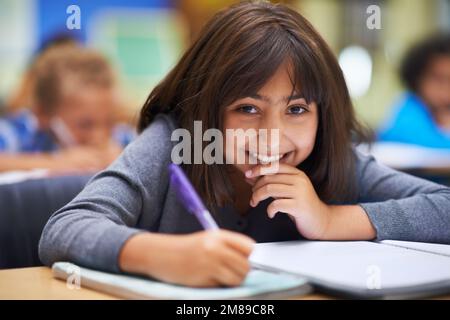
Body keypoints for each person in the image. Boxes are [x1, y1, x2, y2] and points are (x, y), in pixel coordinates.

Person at [39, 1, 450, 288]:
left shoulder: (330, 155)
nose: (272, 134)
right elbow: (65, 229)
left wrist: (329, 220)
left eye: (297, 109)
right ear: (205, 109)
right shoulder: (176, 142)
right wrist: (161, 255)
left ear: (323, 113)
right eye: (248, 109)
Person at [0, 45, 135, 172]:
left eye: (110, 122)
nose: (99, 136)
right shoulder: (21, 131)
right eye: (85, 125)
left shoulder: (120, 136)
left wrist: (124, 161)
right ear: (42, 113)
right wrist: (55, 163)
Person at [378, 34, 450, 148]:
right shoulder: (410, 107)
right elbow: (407, 137)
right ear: (417, 79)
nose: (446, 89)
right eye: (438, 79)